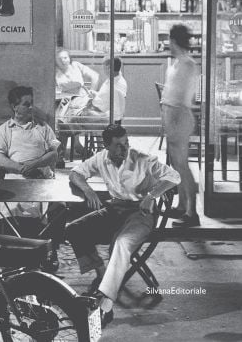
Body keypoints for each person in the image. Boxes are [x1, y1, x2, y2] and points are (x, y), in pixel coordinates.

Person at [65, 124, 180, 328]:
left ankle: (105, 305)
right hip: (115, 209)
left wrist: (152, 196)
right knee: (74, 228)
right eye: (118, 145)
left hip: (141, 214)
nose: (124, 148)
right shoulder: (101, 158)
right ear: (106, 145)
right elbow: (75, 173)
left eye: (126, 143)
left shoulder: (142, 158)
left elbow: (174, 177)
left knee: (121, 244)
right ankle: (102, 274)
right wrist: (88, 190)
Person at [0, 86, 64, 271]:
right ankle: (13, 260)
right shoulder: (4, 131)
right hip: (17, 180)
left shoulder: (42, 127)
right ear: (14, 107)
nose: (31, 108)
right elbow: (1, 160)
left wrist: (34, 165)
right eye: (26, 104)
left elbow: (53, 155)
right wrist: (21, 168)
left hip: (41, 179)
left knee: (59, 210)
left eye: (31, 104)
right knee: (10, 210)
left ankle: (48, 253)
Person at [162, 24, 200, 228]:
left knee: (182, 166)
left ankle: (192, 212)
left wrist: (172, 118)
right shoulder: (177, 62)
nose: (168, 43)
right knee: (177, 165)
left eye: (170, 39)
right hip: (172, 114)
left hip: (179, 116)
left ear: (174, 40)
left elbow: (183, 97)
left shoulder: (187, 64)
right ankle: (182, 204)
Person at [55, 48, 99, 162]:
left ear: (69, 58)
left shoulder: (76, 65)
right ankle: (66, 151)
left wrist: (92, 92)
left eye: (65, 57)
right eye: (59, 59)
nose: (63, 61)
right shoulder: (55, 71)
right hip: (64, 101)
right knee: (61, 119)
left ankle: (68, 149)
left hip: (81, 100)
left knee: (66, 119)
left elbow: (95, 76)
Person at [87, 57, 127, 123]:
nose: (103, 70)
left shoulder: (117, 86)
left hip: (103, 118)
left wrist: (97, 115)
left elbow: (117, 113)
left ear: (109, 68)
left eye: (104, 68)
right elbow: (107, 97)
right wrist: (96, 94)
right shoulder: (113, 78)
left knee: (73, 118)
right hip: (97, 108)